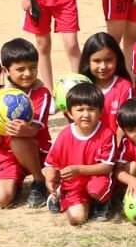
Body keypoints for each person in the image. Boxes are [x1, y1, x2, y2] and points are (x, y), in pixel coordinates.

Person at [0, 38, 52, 210]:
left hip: (35, 150)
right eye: (20, 69)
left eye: (33, 67)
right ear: (5, 70)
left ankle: (38, 180)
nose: (28, 73)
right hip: (7, 155)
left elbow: (34, 130)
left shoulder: (41, 93)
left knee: (18, 138)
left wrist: (24, 130)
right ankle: (14, 184)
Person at [42, 82, 117, 226]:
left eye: (91, 109)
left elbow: (107, 167)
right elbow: (51, 164)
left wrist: (78, 170)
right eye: (80, 110)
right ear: (69, 113)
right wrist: (50, 179)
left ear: (101, 111)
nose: (86, 114)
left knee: (97, 188)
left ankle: (101, 203)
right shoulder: (64, 135)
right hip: (73, 186)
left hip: (96, 181)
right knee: (76, 219)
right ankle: (61, 195)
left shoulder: (106, 134)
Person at [79, 31, 135, 135]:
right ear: (87, 61)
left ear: (117, 60)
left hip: (117, 147)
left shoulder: (125, 87)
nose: (103, 66)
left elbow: (125, 125)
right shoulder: (81, 87)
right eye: (97, 61)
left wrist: (114, 149)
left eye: (108, 60)